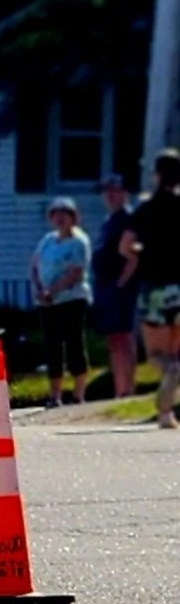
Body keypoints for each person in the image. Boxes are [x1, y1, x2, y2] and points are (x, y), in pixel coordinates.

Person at [118, 147, 180, 428]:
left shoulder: (146, 208)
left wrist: (139, 252)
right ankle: (166, 413)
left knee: (157, 354)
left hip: (154, 286)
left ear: (156, 175)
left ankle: (172, 373)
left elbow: (125, 246)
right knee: (176, 348)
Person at [30, 198, 92, 407]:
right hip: (47, 303)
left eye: (65, 214)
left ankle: (78, 393)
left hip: (72, 299)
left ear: (73, 217)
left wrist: (52, 291)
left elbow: (76, 272)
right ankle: (55, 395)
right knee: (52, 345)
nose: (60, 218)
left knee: (74, 342)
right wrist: (40, 289)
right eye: (56, 214)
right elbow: (35, 265)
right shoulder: (47, 240)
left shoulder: (79, 242)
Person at [92, 173, 138, 401]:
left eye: (114, 190)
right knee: (113, 339)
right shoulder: (108, 221)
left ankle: (127, 389)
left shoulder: (128, 219)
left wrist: (121, 282)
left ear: (124, 193)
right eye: (107, 191)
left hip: (119, 287)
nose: (110, 195)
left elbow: (133, 256)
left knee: (124, 338)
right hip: (104, 286)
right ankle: (119, 388)